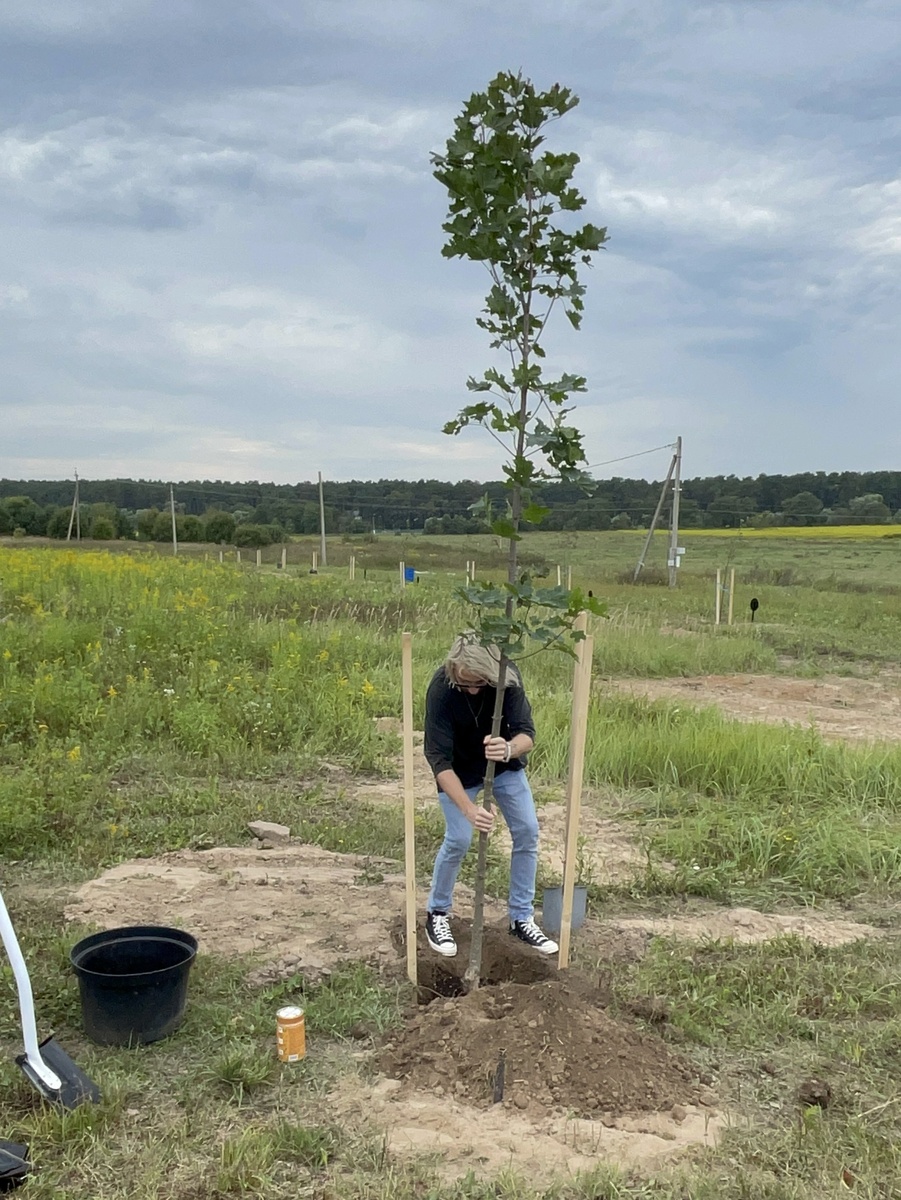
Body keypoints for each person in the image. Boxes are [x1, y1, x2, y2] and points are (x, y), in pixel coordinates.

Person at [422, 633, 558, 958]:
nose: (471, 689)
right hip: (458, 772)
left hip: (504, 768)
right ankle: (437, 914)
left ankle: (521, 919)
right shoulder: (441, 688)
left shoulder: (507, 678)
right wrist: (469, 809)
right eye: (465, 682)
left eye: (479, 684)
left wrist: (509, 748)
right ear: (454, 668)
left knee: (527, 832)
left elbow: (528, 734)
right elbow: (437, 759)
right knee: (459, 840)